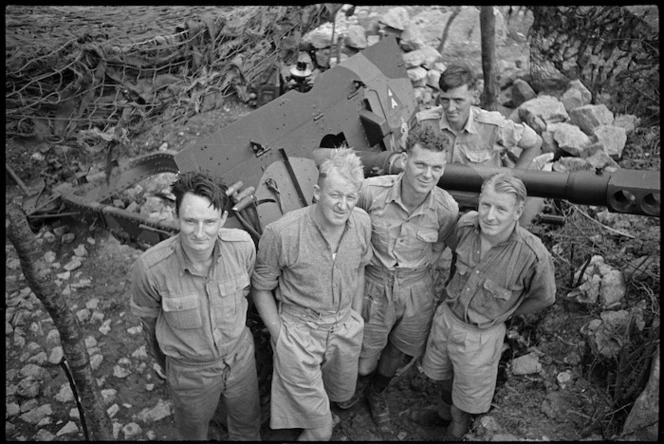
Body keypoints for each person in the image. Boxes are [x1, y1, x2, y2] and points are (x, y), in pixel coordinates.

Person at [409, 172, 556, 440]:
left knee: (466, 401)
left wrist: (508, 313)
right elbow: (454, 253)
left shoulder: (532, 255)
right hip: (447, 320)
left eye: (501, 208)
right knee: (442, 377)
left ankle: (454, 432)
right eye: (486, 204)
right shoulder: (466, 226)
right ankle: (441, 414)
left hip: (481, 338)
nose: (489, 216)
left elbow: (545, 297)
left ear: (518, 211)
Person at [337, 125, 459, 431]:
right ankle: (354, 385)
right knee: (365, 358)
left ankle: (376, 394)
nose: (428, 175)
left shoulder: (446, 209)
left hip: (417, 287)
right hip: (373, 284)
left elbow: (441, 244)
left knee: (400, 350)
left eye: (437, 168)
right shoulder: (370, 192)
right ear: (405, 160)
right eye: (420, 164)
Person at [251, 148, 373, 441]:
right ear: (318, 192)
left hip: (344, 327)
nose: (343, 205)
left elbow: (359, 268)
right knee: (322, 431)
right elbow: (261, 288)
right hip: (300, 332)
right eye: (336, 195)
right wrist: (281, 337)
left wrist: (354, 315)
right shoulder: (282, 234)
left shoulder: (362, 223)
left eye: (350, 197)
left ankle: (313, 417)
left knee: (334, 394)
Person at [129, 171, 261, 441]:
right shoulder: (150, 269)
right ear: (176, 217)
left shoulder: (242, 247)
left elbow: (245, 294)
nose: (200, 233)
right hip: (190, 373)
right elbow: (150, 325)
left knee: (247, 428)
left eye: (210, 222)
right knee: (194, 434)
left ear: (223, 219)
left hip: (241, 360)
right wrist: (170, 369)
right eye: (190, 221)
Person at [416, 63, 545, 225]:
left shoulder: (491, 124)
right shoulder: (425, 123)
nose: (450, 108)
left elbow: (534, 142)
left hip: (483, 202)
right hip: (437, 200)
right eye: (445, 100)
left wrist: (514, 179)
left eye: (458, 100)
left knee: (534, 195)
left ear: (474, 97)